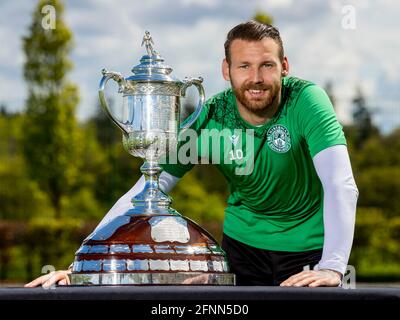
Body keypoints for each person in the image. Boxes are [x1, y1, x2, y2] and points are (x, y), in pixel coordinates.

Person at [26, 20, 358, 288]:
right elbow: (147, 191)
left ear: (284, 66)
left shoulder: (307, 101)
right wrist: (80, 268)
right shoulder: (209, 118)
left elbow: (340, 184)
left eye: (267, 65)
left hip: (309, 252)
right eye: (244, 66)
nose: (256, 78)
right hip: (242, 252)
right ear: (226, 71)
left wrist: (332, 267)